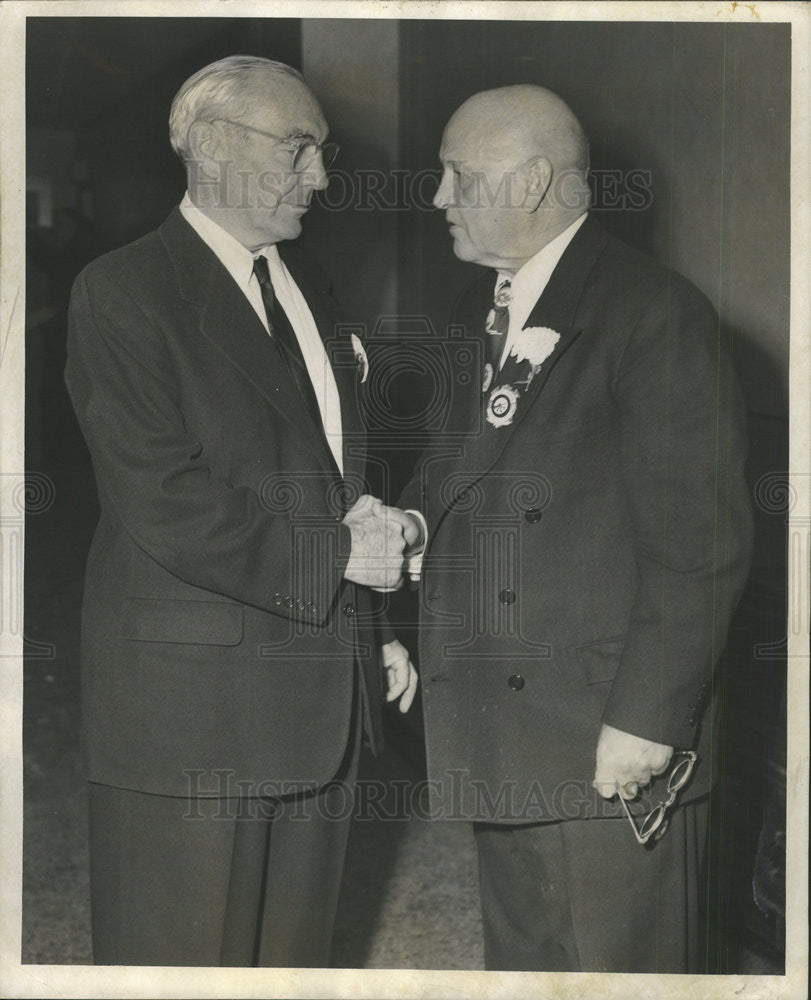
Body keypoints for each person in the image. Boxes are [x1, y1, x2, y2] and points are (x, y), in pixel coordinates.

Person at [64, 54, 417, 967]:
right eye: (299, 149)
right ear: (212, 145)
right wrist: (341, 564)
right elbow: (164, 496)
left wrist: (368, 625)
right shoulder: (124, 291)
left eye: (323, 152)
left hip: (321, 693)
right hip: (191, 714)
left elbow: (335, 476)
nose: (323, 178)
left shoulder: (311, 289)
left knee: (289, 962)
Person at [391, 85, 752, 972]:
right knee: (528, 964)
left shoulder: (650, 313)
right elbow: (463, 468)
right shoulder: (500, 303)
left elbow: (699, 545)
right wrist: (401, 524)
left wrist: (645, 723)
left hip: (605, 738)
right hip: (510, 731)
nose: (437, 197)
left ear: (531, 182)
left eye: (456, 175)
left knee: (615, 969)